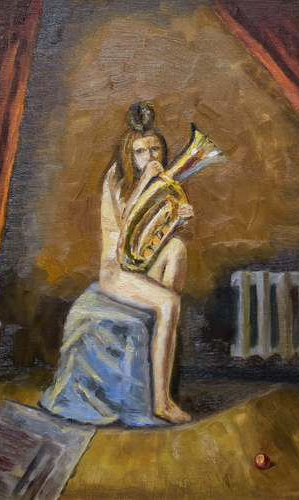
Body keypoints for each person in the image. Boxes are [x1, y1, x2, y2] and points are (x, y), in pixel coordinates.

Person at [99, 102, 193, 424]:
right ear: (129, 155)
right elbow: (124, 233)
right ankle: (161, 402)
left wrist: (178, 220)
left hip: (140, 265)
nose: (150, 157)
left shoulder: (162, 180)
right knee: (168, 302)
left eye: (155, 150)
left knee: (177, 249)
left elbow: (155, 235)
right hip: (116, 271)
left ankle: (161, 364)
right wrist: (144, 184)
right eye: (140, 151)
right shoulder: (116, 179)